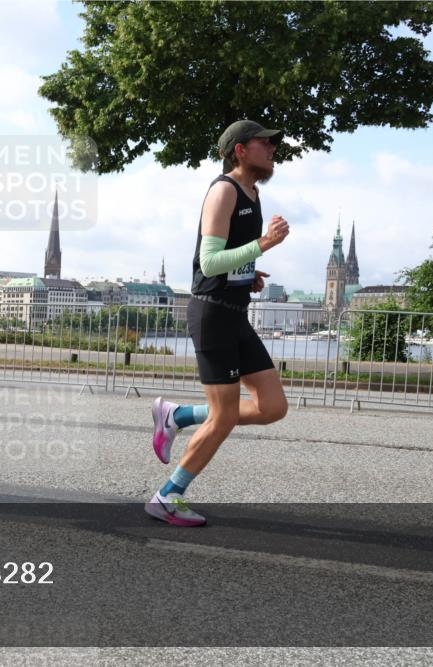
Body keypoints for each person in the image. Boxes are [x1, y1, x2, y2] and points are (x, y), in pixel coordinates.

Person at [146, 120, 290, 526]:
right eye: (265, 143)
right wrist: (263, 244)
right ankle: (167, 496)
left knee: (273, 406)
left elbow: (227, 260)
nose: (273, 149)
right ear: (240, 150)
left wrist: (250, 272)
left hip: (234, 312)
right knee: (223, 417)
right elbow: (208, 263)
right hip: (211, 314)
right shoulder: (224, 190)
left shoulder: (253, 193)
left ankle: (177, 416)